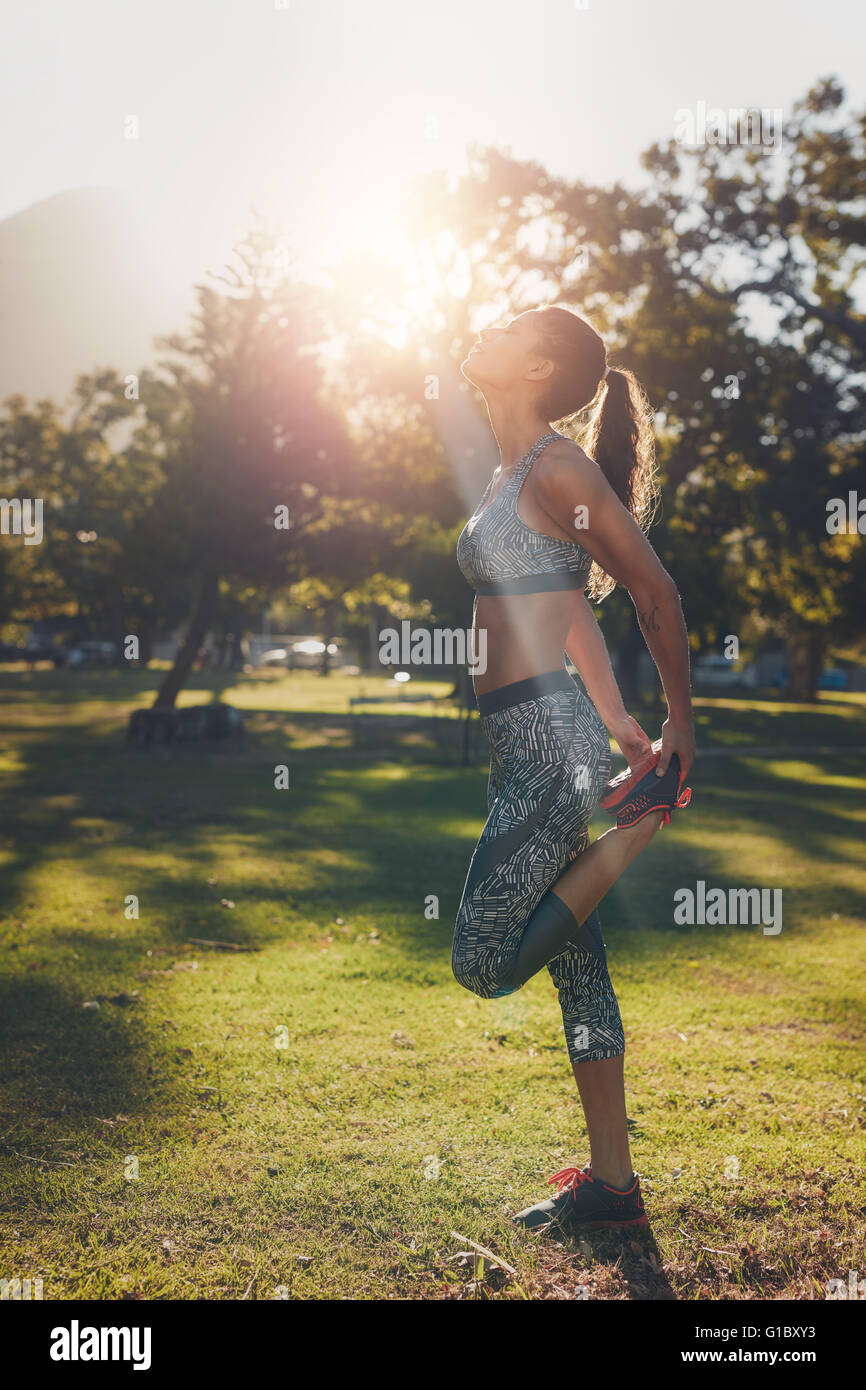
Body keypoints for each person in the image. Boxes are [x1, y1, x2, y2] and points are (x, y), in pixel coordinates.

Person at [452, 305, 696, 1231]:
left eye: (510, 325)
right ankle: (614, 1188)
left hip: (550, 756)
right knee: (576, 960)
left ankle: (638, 826)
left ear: (538, 365)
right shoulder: (517, 472)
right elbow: (569, 609)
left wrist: (678, 725)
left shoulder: (556, 466)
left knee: (483, 959)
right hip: (535, 738)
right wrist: (618, 716)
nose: (488, 327)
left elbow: (652, 587)